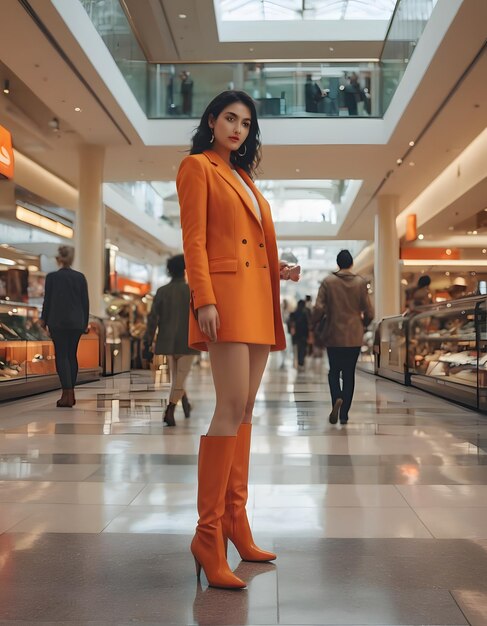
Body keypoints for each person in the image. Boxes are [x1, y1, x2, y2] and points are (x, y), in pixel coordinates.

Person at [177, 90, 300, 590]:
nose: (237, 129)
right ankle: (208, 534)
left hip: (257, 298)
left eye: (245, 123)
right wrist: (204, 297)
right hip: (224, 299)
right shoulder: (197, 167)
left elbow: (252, 242)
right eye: (229, 118)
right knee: (228, 407)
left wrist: (279, 268)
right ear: (211, 120)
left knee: (246, 409)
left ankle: (235, 521)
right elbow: (196, 239)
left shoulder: (245, 177)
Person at [312, 249, 373, 425]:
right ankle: (344, 414)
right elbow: (369, 311)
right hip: (354, 335)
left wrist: (314, 323)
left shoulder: (328, 282)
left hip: (334, 334)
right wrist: (364, 325)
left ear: (338, 263)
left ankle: (337, 398)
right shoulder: (360, 283)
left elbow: (318, 308)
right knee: (349, 374)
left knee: (333, 372)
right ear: (351, 263)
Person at [144, 254, 198, 427]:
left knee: (176, 377)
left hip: (167, 341)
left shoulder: (162, 291)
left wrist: (147, 342)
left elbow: (152, 319)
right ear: (185, 270)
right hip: (188, 341)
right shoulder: (192, 291)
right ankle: (170, 410)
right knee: (179, 377)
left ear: (169, 271)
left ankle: (186, 402)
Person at [40, 245, 89, 408]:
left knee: (61, 356)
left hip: (58, 321)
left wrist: (43, 320)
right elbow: (85, 303)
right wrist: (84, 323)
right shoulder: (80, 277)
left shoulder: (52, 277)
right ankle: (71, 393)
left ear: (58, 259)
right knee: (71, 355)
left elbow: (48, 301)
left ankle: (65, 394)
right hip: (76, 322)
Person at [289, 300, 309, 371]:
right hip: (303, 334)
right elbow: (307, 325)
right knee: (302, 349)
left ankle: (297, 361)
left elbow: (290, 323)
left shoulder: (294, 313)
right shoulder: (305, 314)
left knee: (296, 348)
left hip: (296, 334)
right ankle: (301, 362)